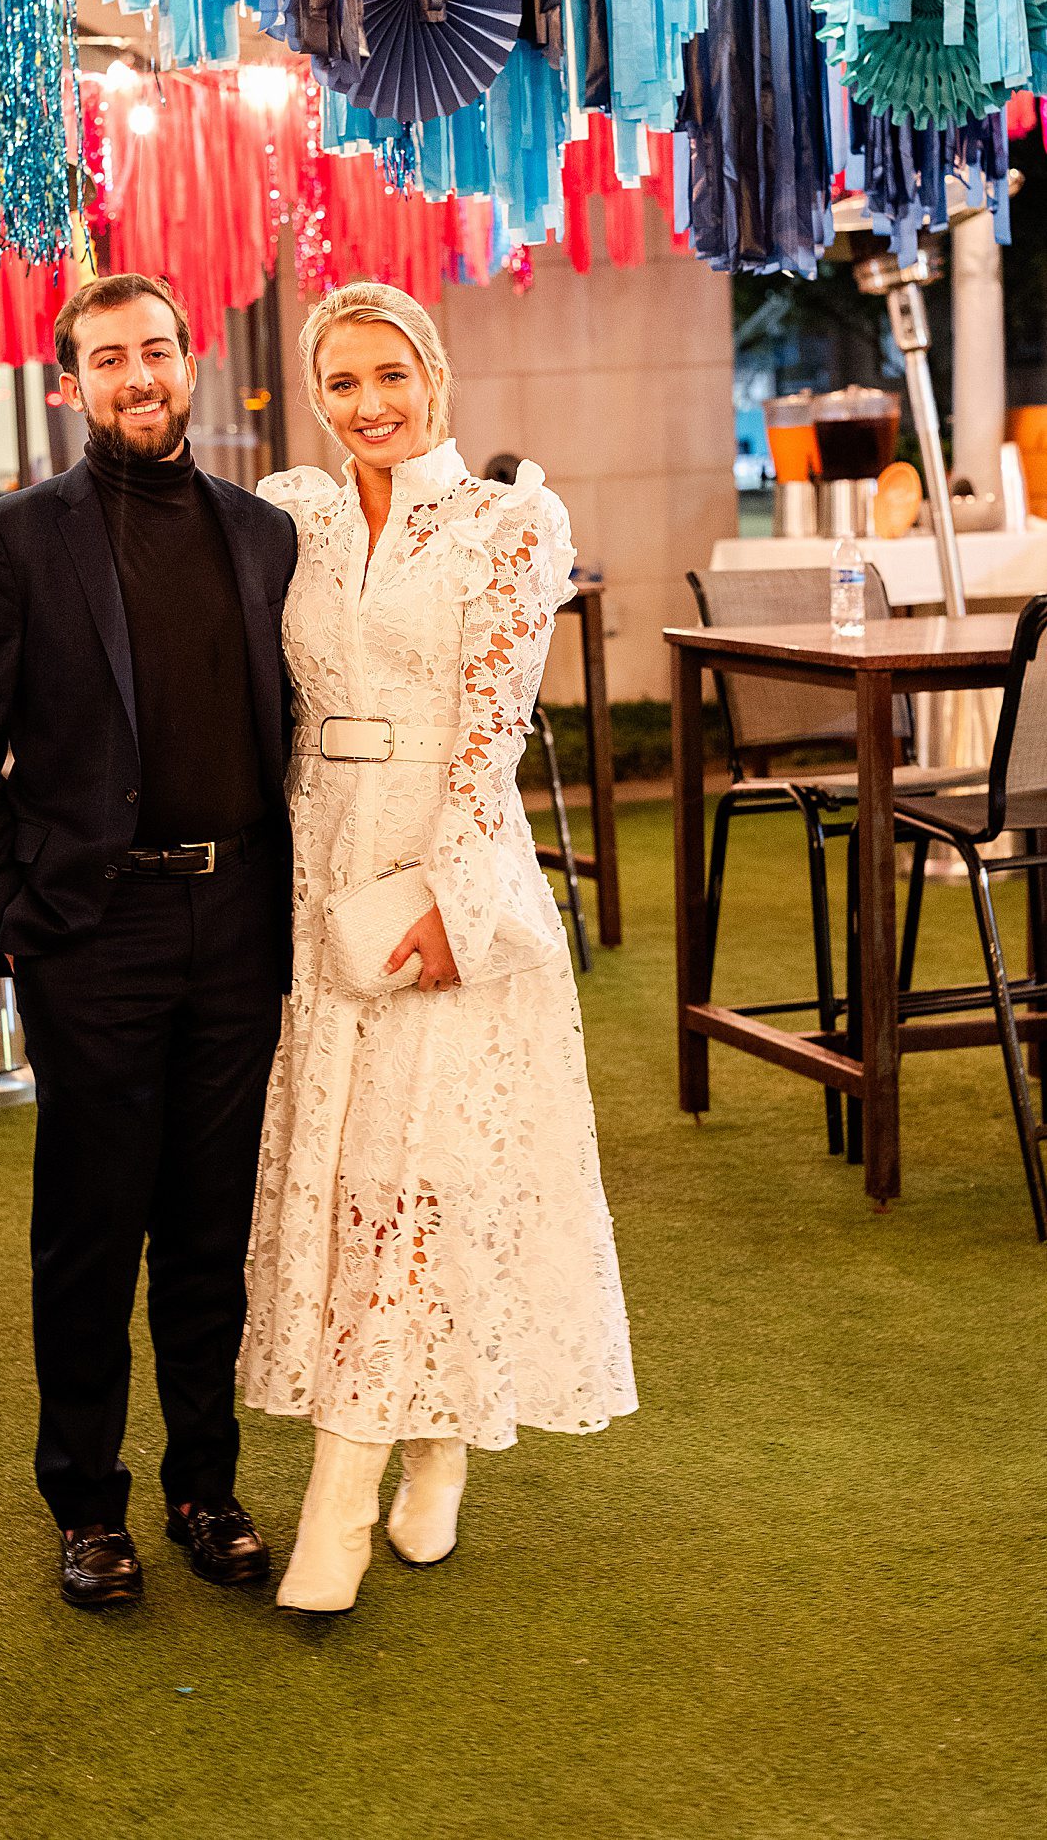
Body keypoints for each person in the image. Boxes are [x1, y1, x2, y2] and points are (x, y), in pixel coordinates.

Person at [242, 281, 636, 1614]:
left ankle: (339, 1506)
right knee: (349, 1163)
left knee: (419, 1165)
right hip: (316, 863)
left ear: (437, 373)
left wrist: (451, 901)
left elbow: (494, 734)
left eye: (390, 374)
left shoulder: (511, 521)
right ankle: (434, 1446)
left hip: (439, 861)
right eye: (341, 381)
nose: (369, 405)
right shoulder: (289, 511)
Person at [0, 272, 297, 1611]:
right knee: (91, 1227)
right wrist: (13, 915)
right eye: (109, 358)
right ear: (69, 382)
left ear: (189, 362)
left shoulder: (262, 533)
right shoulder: (18, 537)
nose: (139, 375)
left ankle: (207, 1483)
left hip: (244, 918)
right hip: (96, 927)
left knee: (210, 1227)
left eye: (157, 350)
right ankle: (87, 1503)